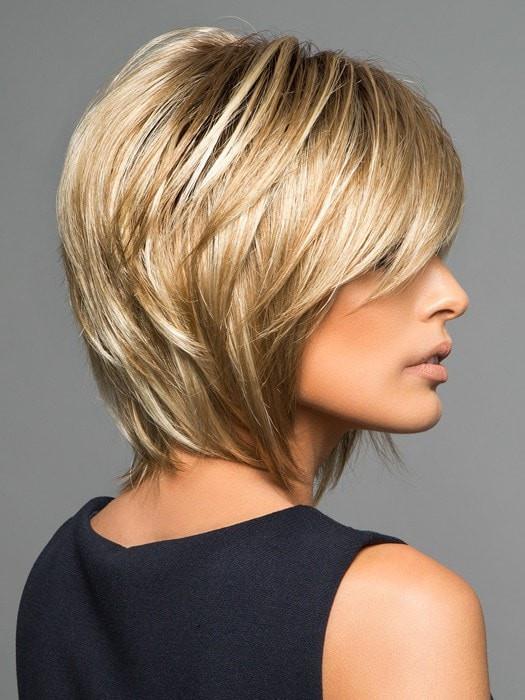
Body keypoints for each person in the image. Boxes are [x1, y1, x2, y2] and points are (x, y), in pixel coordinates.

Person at [16, 26, 494, 698]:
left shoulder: (60, 575)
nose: (452, 296)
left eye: (435, 251)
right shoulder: (395, 611)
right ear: (238, 275)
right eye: (386, 255)